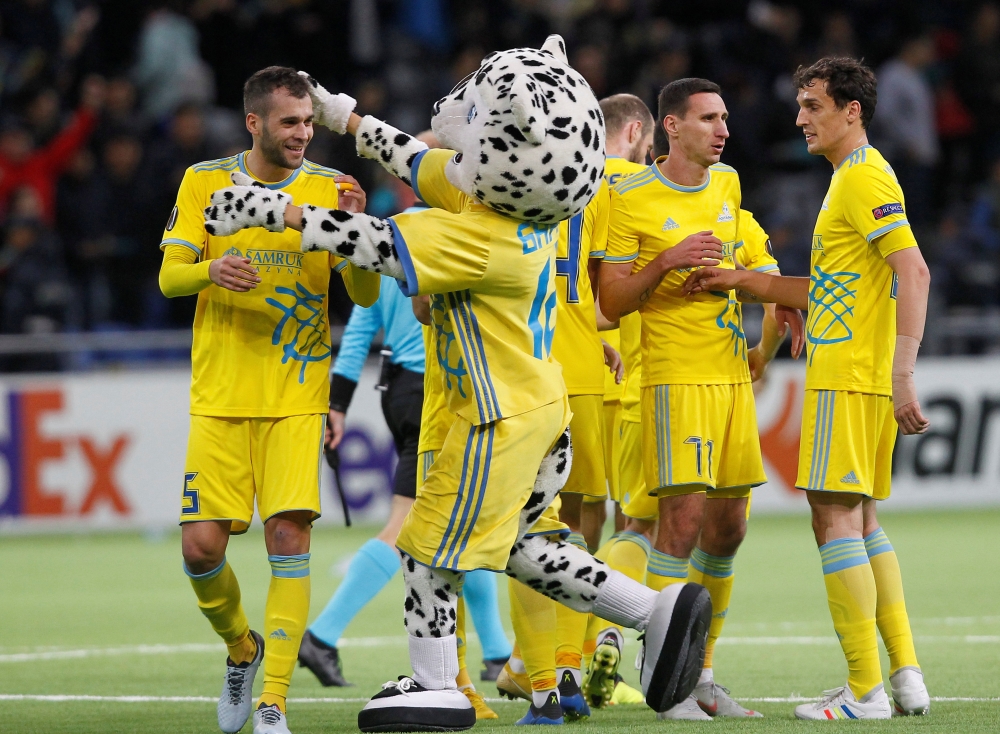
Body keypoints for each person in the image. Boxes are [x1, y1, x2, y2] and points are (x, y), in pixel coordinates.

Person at [203, 38, 714, 731]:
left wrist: (265, 211)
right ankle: (651, 611)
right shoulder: (515, 201)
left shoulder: (477, 237)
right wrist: (341, 116)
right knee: (522, 548)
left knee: (425, 546)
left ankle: (436, 682)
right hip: (544, 408)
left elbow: (372, 242)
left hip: (494, 417)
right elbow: (413, 158)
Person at [682, 57, 932, 720]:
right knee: (864, 517)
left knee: (833, 517)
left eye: (813, 106)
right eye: (799, 106)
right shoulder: (850, 180)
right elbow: (834, 289)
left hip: (849, 374)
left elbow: (914, 273)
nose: (799, 119)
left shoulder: (864, 177)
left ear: (852, 111)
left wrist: (903, 371)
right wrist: (750, 284)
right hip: (855, 372)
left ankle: (864, 691)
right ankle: (904, 676)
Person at [158, 66, 380, 734]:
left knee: (288, 535)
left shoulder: (329, 189)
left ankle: (274, 701)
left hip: (295, 392)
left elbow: (365, 298)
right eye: (290, 122)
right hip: (221, 395)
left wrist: (358, 233)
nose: (304, 134)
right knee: (201, 549)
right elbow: (170, 277)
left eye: (310, 122)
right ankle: (241, 649)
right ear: (254, 122)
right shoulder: (205, 180)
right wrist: (210, 269)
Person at [600, 78, 802, 720]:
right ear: (671, 127)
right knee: (678, 526)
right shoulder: (625, 196)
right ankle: (666, 683)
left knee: (729, 529)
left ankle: (703, 671)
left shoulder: (728, 185)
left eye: (723, 117)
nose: (722, 129)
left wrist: (771, 298)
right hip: (672, 379)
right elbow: (610, 301)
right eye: (709, 119)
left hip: (730, 378)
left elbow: (750, 261)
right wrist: (665, 262)